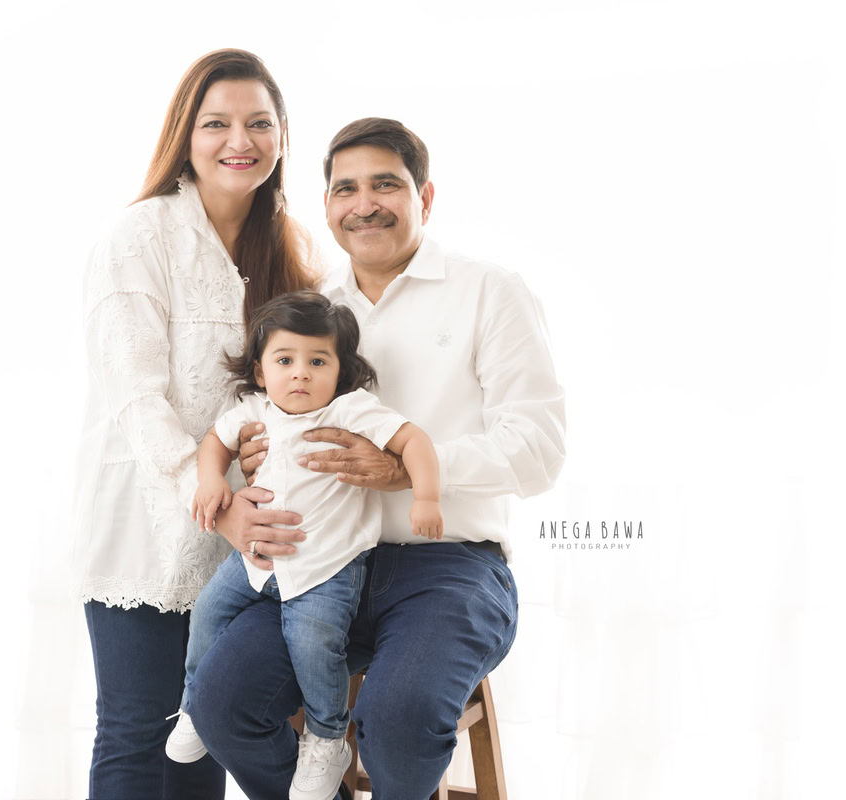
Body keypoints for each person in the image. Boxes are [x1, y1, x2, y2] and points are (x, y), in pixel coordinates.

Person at [188, 118, 567, 799]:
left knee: (398, 718)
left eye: (386, 185)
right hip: (319, 560)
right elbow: (256, 428)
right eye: (346, 189)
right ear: (327, 205)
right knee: (219, 704)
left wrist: (409, 472)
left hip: (449, 566)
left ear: (425, 197)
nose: (365, 204)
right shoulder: (311, 313)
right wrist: (249, 466)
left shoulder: (489, 291)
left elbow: (540, 450)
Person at [71, 49, 315, 800]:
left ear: (282, 137)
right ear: (185, 135)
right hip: (147, 525)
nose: (239, 140)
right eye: (216, 124)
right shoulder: (139, 236)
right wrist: (214, 501)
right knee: (136, 730)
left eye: (259, 123)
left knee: (201, 735)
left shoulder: (292, 246)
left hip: (243, 538)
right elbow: (136, 399)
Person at [164, 291, 442, 800]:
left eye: (318, 361)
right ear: (260, 369)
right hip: (254, 561)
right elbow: (215, 443)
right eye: (284, 360)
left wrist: (425, 495)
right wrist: (211, 480)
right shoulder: (254, 410)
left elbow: (414, 441)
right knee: (206, 613)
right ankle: (191, 704)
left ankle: (327, 738)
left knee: (314, 646)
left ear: (341, 370)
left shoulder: (350, 411)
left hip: (325, 569)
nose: (300, 374)